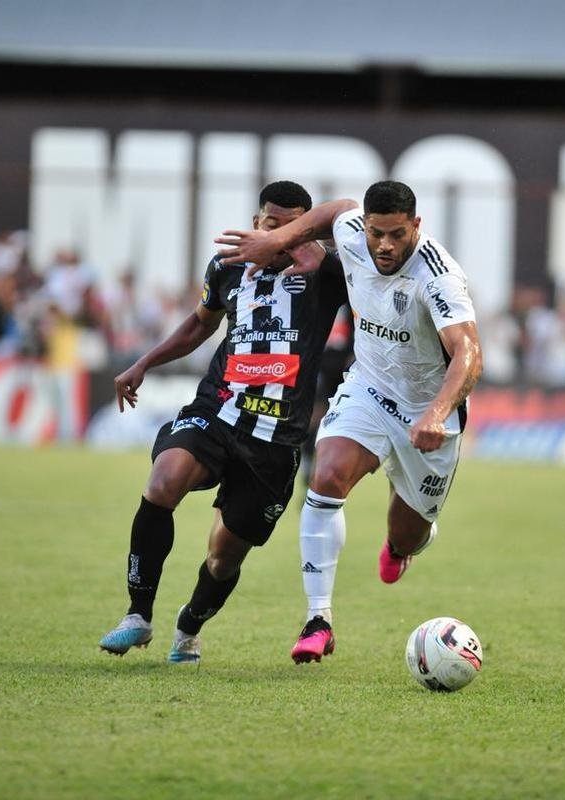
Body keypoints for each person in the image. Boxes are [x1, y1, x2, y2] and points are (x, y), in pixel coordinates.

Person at [216, 180, 484, 664]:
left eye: (397, 235)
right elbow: (336, 209)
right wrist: (277, 240)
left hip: (427, 412)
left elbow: (468, 353)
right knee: (327, 476)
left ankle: (402, 546)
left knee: (407, 533)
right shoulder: (351, 231)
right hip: (369, 389)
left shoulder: (438, 276)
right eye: (377, 233)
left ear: (416, 226)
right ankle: (318, 621)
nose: (385, 245)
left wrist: (436, 414)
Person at [97, 181, 347, 665]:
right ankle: (137, 615)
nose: (279, 237)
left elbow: (354, 224)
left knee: (223, 555)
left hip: (276, 439)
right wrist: (143, 363)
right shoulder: (227, 265)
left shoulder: (329, 272)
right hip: (218, 409)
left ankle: (189, 625)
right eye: (271, 225)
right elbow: (200, 323)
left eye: (293, 228)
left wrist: (318, 244)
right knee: (163, 481)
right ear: (255, 223)